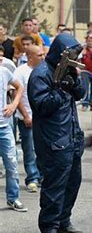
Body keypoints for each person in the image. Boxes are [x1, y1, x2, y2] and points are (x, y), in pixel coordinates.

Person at [28, 33, 85, 233]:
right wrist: (61, 89)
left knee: (73, 181)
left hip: (71, 136)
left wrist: (74, 81)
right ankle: (49, 227)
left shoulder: (67, 69)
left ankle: (63, 220)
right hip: (52, 139)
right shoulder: (41, 74)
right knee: (54, 184)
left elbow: (80, 94)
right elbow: (41, 105)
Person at [13, 45, 45, 193]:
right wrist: (26, 116)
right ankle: (32, 178)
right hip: (28, 118)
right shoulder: (20, 72)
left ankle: (42, 176)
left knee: (43, 149)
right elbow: (16, 96)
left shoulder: (45, 70)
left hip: (43, 118)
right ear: (30, 56)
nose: (43, 57)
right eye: (39, 55)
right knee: (30, 150)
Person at [0, 54, 27, 212]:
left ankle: (13, 198)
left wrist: (14, 104)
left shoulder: (4, 72)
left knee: (12, 165)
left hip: (4, 127)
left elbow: (19, 87)